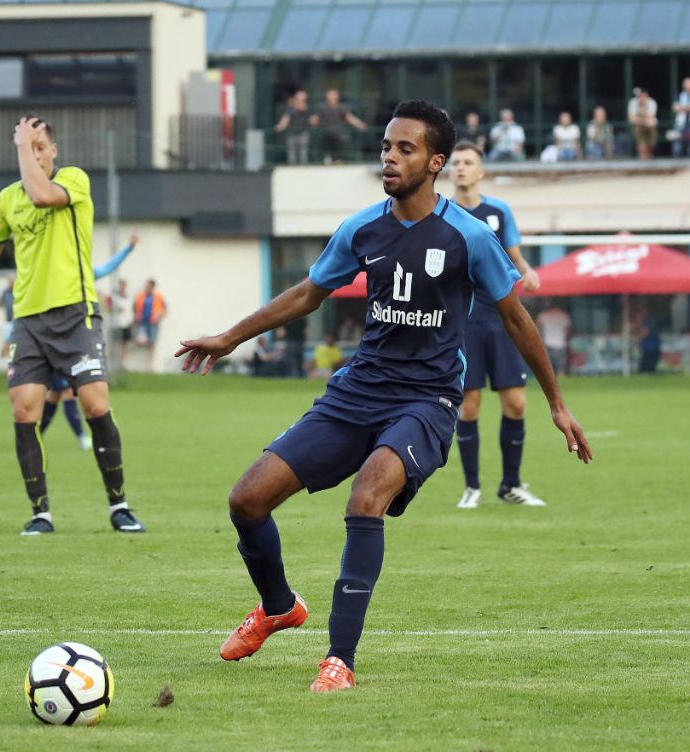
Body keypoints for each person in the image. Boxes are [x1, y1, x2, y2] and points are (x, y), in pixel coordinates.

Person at [175, 100, 591, 693]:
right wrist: (229, 338)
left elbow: (517, 318)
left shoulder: (470, 236)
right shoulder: (361, 228)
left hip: (427, 400)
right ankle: (278, 607)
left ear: (436, 162)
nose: (389, 158)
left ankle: (338, 660)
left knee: (366, 496)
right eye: (386, 147)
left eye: (405, 149)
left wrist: (556, 403)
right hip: (357, 391)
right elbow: (307, 294)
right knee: (246, 500)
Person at [0, 116, 144, 536]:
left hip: (76, 314)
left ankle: (119, 506)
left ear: (54, 151)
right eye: (28, 147)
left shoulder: (73, 180)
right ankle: (40, 513)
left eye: (40, 147)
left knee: (95, 405)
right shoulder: (7, 199)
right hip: (28, 321)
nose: (34, 154)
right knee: (24, 409)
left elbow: (42, 194)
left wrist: (21, 147)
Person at [448, 140, 546, 510]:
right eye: (456, 162)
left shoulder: (498, 210)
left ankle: (511, 485)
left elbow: (514, 254)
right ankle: (472, 487)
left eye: (467, 162)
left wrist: (527, 271)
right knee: (469, 407)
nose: (460, 167)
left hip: (501, 317)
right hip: (463, 321)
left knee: (516, 403)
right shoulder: (442, 212)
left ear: (481, 171)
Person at [38, 231, 141, 450]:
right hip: (56, 342)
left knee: (57, 394)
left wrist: (129, 248)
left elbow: (109, 267)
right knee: (65, 392)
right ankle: (80, 437)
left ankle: (37, 436)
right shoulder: (52, 278)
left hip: (75, 341)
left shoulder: (85, 274)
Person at [310, 90, 367, 164]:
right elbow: (314, 119)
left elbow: (350, 118)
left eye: (333, 96)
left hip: (339, 136)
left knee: (339, 156)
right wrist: (312, 121)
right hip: (326, 136)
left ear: (337, 98)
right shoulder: (322, 108)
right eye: (329, 96)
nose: (331, 98)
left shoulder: (342, 108)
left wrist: (360, 124)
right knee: (326, 155)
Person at [134, 278, 167, 371]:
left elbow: (165, 309)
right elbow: (135, 307)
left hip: (153, 323)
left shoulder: (158, 296)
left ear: (153, 287)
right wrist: (136, 315)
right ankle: (140, 363)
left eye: (149, 286)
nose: (147, 288)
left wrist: (159, 318)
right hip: (142, 323)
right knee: (141, 341)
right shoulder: (141, 295)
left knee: (153, 342)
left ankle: (150, 365)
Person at [274, 89, 311, 165]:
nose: (300, 101)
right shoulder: (289, 109)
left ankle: (303, 170)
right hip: (291, 134)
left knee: (303, 155)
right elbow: (285, 119)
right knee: (292, 155)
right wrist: (280, 126)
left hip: (302, 134)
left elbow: (303, 109)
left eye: (303, 100)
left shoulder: (306, 108)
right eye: (298, 99)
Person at [536, 302, 572, 376]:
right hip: (561, 344)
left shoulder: (543, 315)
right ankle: (561, 381)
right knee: (561, 370)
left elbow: (537, 328)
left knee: (549, 371)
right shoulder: (564, 315)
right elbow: (568, 330)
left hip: (548, 344)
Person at [671, 77, 690, 158]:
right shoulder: (678, 96)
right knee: (677, 144)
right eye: (687, 85)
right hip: (680, 123)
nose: (688, 87)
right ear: (683, 86)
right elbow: (675, 108)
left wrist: (682, 107)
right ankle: (677, 160)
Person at [628, 88, 658, 159]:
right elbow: (631, 118)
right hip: (639, 128)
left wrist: (638, 119)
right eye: (639, 96)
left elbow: (651, 116)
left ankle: (649, 163)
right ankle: (642, 162)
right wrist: (643, 120)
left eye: (643, 96)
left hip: (651, 127)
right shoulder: (633, 102)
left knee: (650, 148)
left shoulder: (652, 102)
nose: (641, 98)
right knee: (642, 148)